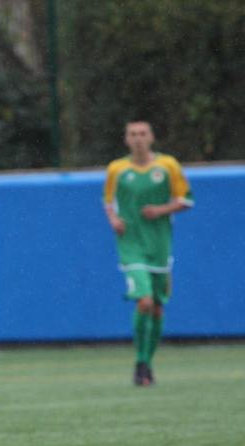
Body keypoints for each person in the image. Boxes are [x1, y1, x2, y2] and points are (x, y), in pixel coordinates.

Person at [103, 121, 193, 386]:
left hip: (159, 246)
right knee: (144, 301)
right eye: (133, 134)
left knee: (157, 309)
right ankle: (141, 363)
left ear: (151, 137)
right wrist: (113, 220)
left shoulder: (168, 165)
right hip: (131, 245)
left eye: (142, 134)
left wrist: (160, 210)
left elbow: (186, 200)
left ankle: (147, 363)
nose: (138, 139)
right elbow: (108, 201)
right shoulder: (116, 169)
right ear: (126, 140)